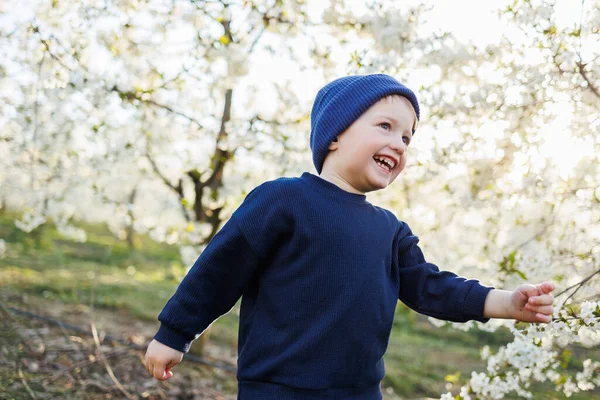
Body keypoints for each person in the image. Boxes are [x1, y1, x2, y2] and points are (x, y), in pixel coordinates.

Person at [144, 74, 555, 400]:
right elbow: (220, 269)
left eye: (407, 137)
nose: (398, 143)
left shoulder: (390, 230)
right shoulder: (283, 200)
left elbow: (431, 287)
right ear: (336, 134)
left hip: (360, 392)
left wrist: (504, 302)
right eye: (386, 126)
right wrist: (174, 333)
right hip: (277, 389)